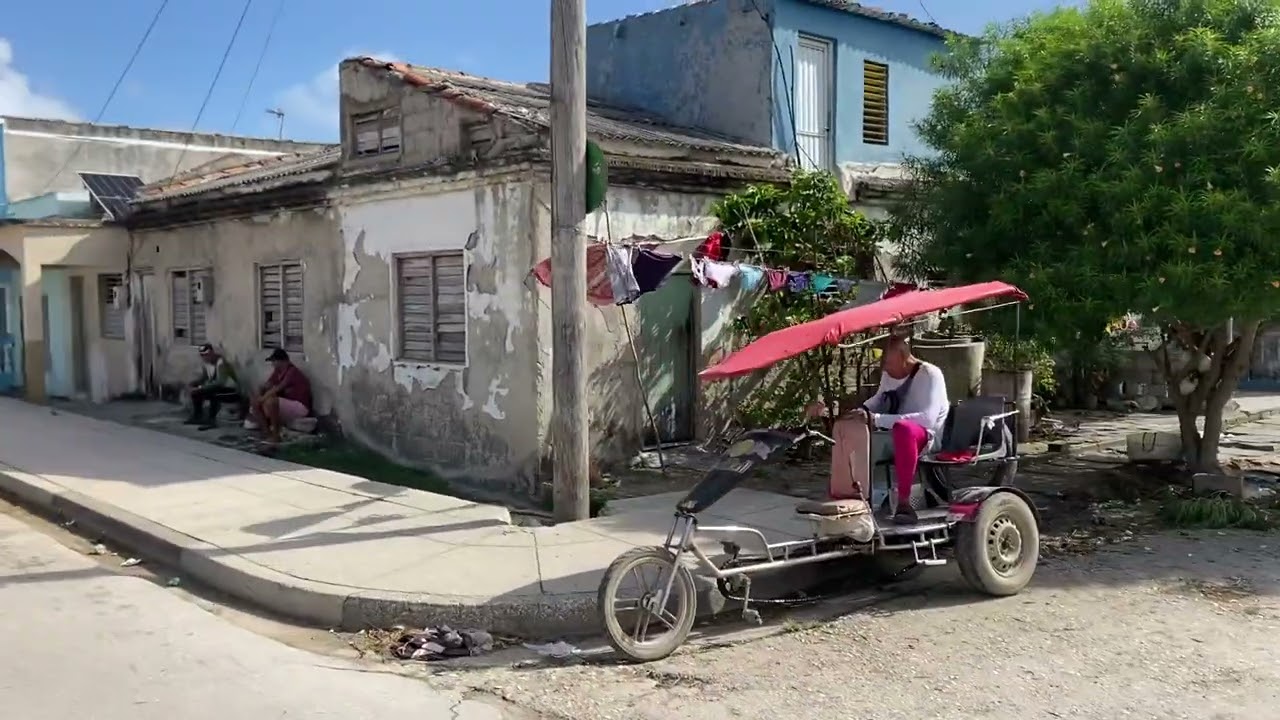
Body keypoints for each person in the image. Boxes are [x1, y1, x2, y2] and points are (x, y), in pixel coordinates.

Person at [806, 335, 949, 523]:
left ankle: (904, 503)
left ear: (903, 356)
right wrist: (862, 412)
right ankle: (848, 496)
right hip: (892, 432)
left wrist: (877, 419)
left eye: (889, 363)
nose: (885, 368)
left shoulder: (930, 375)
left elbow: (927, 420)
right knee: (852, 430)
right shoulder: (889, 375)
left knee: (903, 429)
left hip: (926, 436)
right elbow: (880, 399)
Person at [247, 348, 312, 443]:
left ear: (282, 361)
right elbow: (267, 385)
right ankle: (267, 434)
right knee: (255, 401)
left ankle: (275, 436)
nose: (272, 364)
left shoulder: (292, 371)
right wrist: (259, 394)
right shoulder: (277, 372)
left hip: (300, 406)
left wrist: (262, 399)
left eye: (274, 361)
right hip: (286, 405)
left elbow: (278, 388)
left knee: (271, 401)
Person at [186, 343, 241, 430]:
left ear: (212, 353)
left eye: (206, 355)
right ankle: (198, 416)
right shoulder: (206, 364)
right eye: (202, 355)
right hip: (219, 389)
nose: (204, 357)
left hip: (232, 391)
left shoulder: (222, 363)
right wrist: (193, 385)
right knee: (196, 392)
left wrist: (201, 388)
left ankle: (211, 421)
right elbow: (204, 378)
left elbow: (220, 382)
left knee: (213, 393)